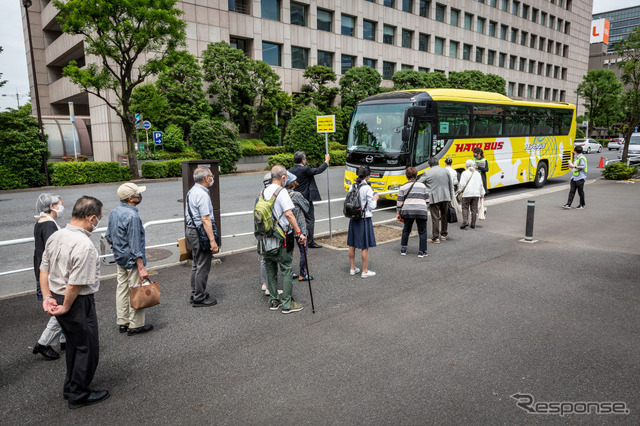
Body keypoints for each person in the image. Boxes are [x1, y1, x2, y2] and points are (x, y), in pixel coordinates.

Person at [39, 196, 109, 409]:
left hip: (57, 294)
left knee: (73, 344)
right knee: (87, 347)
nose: (98, 223)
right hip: (76, 301)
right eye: (98, 219)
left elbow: (44, 269)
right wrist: (66, 306)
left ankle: (71, 386)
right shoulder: (84, 244)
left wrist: (48, 297)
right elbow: (75, 283)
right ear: (91, 218)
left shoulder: (57, 235)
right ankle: (78, 394)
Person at [105, 183, 153, 336]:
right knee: (136, 290)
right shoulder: (132, 216)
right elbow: (134, 245)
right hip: (132, 260)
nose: (140, 195)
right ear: (131, 198)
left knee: (122, 289)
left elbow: (108, 236)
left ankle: (123, 321)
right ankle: (135, 325)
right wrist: (141, 267)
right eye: (137, 193)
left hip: (119, 256)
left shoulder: (114, 212)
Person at [262, 165, 307, 314]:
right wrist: (299, 232)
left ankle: (274, 300)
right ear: (282, 178)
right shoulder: (282, 192)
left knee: (270, 267)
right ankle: (287, 304)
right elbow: (289, 214)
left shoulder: (263, 191)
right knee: (286, 268)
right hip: (282, 235)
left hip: (266, 236)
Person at [32, 193, 66, 360]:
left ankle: (64, 339)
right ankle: (43, 343)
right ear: (52, 206)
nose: (62, 206)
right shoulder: (49, 226)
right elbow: (53, 254)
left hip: (43, 272)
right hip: (53, 275)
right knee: (61, 308)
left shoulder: (41, 222)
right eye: (60, 203)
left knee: (62, 307)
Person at [185, 167, 220, 307]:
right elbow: (205, 219)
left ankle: (195, 293)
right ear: (206, 178)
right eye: (211, 176)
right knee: (203, 265)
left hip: (191, 230)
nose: (212, 178)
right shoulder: (202, 195)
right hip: (200, 232)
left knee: (196, 263)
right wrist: (212, 241)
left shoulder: (192, 191)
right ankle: (199, 297)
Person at [289, 151, 331, 248]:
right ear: (303, 160)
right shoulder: (306, 169)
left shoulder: (290, 170)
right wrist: (326, 161)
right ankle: (310, 241)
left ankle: (298, 238)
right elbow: (318, 170)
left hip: (294, 198)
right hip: (306, 198)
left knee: (296, 219)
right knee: (310, 219)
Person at [347, 165, 379, 278]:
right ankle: (365, 271)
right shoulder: (367, 188)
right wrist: (375, 199)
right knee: (364, 245)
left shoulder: (353, 186)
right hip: (364, 218)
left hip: (353, 217)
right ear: (368, 176)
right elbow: (372, 206)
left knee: (352, 244)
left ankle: (352, 268)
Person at [418, 157, 455, 243]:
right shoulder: (445, 170)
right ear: (438, 162)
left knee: (435, 217)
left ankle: (435, 237)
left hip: (434, 197)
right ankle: (444, 234)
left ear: (429, 164)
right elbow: (450, 184)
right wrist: (450, 196)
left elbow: (419, 182)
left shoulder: (427, 172)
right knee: (444, 215)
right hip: (445, 196)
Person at [396, 167, 429, 258]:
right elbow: (427, 199)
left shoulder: (403, 187)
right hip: (421, 210)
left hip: (407, 210)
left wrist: (398, 213)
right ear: (416, 175)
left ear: (406, 176)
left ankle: (403, 248)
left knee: (406, 229)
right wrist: (424, 207)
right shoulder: (422, 186)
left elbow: (399, 202)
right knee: (422, 231)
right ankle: (422, 251)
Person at [284, 171, 311, 281]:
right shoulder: (296, 195)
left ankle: (289, 272)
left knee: (289, 252)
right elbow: (306, 207)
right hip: (299, 227)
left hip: (287, 227)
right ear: (292, 183)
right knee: (303, 251)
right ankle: (302, 274)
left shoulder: (282, 195)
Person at [458, 159, 486, 229]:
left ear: (466, 165)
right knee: (474, 209)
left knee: (465, 207)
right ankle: (473, 223)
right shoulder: (477, 173)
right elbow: (481, 184)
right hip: (476, 193)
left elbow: (462, 184)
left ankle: (465, 221)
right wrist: (482, 194)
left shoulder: (464, 173)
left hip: (467, 193)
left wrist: (460, 190)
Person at [563, 145, 587, 210]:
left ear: (575, 151)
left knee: (580, 191)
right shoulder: (577, 157)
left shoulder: (581, 158)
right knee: (572, 190)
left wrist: (574, 167)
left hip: (580, 177)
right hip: (574, 177)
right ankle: (568, 204)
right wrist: (572, 166)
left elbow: (583, 166)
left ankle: (582, 204)